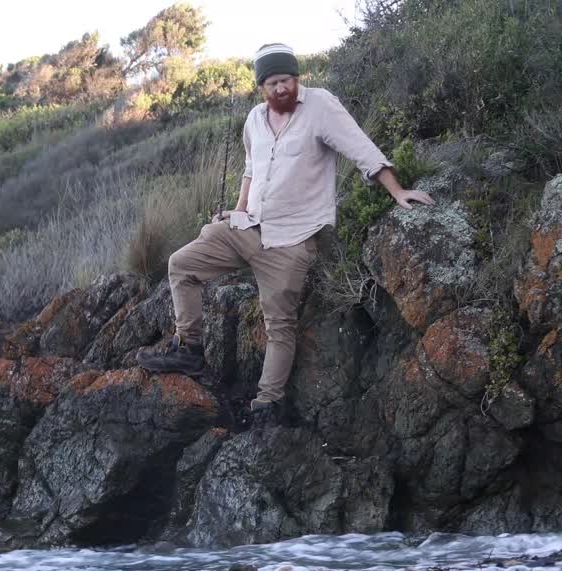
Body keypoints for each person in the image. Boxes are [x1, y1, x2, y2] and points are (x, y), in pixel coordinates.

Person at [137, 43, 434, 426]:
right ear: (262, 86)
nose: (281, 88)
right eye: (273, 82)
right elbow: (251, 170)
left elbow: (361, 149)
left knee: (279, 324)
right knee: (182, 264)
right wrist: (238, 211)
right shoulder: (254, 120)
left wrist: (397, 190)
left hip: (294, 238)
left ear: (297, 78)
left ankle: (268, 403)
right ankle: (188, 348)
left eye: (287, 80)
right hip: (247, 227)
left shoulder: (321, 106)